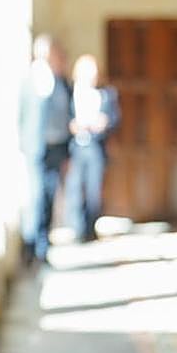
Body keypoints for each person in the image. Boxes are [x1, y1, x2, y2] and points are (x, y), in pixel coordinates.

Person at [18, 34, 72, 265]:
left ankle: (43, 246)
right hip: (37, 148)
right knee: (37, 195)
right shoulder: (32, 81)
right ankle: (31, 245)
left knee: (50, 195)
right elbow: (23, 116)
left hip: (57, 147)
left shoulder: (60, 81)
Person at [64, 54, 120, 244]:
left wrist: (104, 123)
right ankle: (77, 228)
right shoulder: (69, 92)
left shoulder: (106, 93)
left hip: (96, 146)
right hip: (76, 147)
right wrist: (72, 125)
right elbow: (62, 117)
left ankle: (90, 228)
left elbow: (115, 118)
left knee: (94, 190)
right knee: (74, 188)